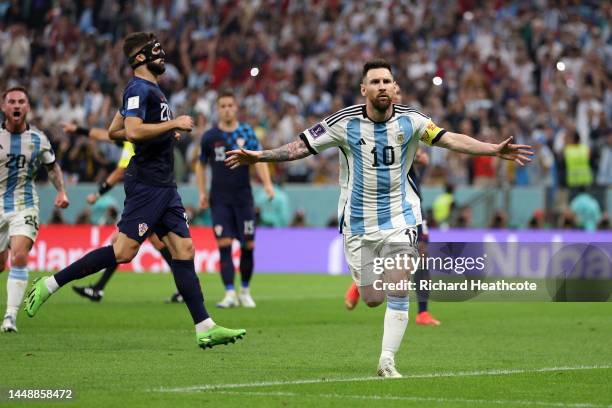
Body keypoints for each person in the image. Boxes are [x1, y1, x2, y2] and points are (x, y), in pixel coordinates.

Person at [226, 59, 533, 377]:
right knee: (373, 298)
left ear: (395, 87)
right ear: (364, 90)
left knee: (399, 283)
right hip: (357, 224)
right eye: (375, 82)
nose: (382, 86)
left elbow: (451, 139)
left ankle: (387, 360)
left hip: (401, 217)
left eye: (387, 81)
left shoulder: (413, 121)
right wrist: (260, 156)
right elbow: (300, 147)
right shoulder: (343, 123)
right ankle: (361, 287)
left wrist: (492, 149)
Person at [24, 32, 245, 349]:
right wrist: (172, 125)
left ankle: (205, 327)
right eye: (156, 51)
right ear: (139, 58)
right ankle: (49, 283)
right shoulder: (140, 88)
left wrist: (165, 135)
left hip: (165, 185)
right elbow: (132, 131)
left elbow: (116, 130)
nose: (162, 55)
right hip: (146, 184)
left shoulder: (147, 90)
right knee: (123, 252)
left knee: (184, 251)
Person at [61, 123, 179, 303]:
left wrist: (98, 193)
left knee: (122, 243)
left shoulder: (133, 143)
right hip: (152, 197)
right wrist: (79, 130)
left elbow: (119, 173)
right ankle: (99, 289)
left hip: (146, 200)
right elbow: (102, 134)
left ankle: (185, 287)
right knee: (155, 243)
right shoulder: (134, 137)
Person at [0, 86, 69, 332]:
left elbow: (52, 167)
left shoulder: (38, 139)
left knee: (19, 255)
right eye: (11, 102)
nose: (16, 105)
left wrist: (61, 190)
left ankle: (10, 317)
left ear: (27, 107)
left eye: (21, 101)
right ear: (4, 107)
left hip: (25, 204)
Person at [196, 90, 274, 308]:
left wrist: (267, 184)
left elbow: (259, 160)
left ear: (236, 108)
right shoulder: (210, 136)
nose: (227, 109)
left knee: (248, 245)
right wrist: (202, 193)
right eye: (223, 106)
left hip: (243, 198)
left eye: (231, 105)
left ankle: (245, 291)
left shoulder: (247, 133)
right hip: (219, 199)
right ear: (218, 109)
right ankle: (229, 292)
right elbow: (200, 165)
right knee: (224, 245)